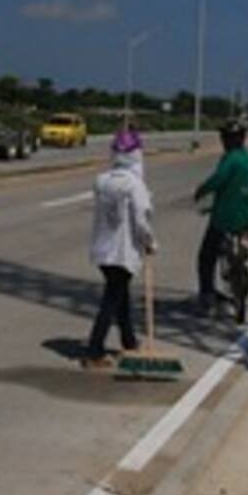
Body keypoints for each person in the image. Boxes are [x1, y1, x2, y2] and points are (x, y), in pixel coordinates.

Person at [85, 128, 156, 368]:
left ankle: (129, 341)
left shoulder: (102, 180)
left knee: (121, 297)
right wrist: (150, 242)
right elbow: (141, 220)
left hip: (103, 249)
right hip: (123, 252)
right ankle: (94, 350)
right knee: (112, 299)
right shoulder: (135, 185)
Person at [193, 118, 248, 312]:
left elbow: (218, 179)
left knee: (206, 256)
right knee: (241, 244)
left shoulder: (231, 158)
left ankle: (207, 294)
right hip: (247, 215)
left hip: (225, 216)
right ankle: (241, 260)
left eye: (225, 137)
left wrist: (201, 190)